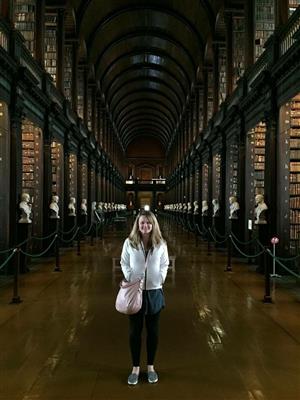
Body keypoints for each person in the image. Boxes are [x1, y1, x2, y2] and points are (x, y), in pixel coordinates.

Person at [120, 210, 169, 385]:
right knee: (134, 332)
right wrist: (130, 275)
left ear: (153, 225)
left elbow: (165, 263)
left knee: (153, 332)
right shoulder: (129, 242)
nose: (145, 226)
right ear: (137, 225)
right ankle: (135, 368)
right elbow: (124, 261)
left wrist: (160, 278)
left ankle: (150, 367)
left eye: (149, 223)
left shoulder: (161, 243)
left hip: (154, 291)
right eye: (142, 223)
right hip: (135, 291)